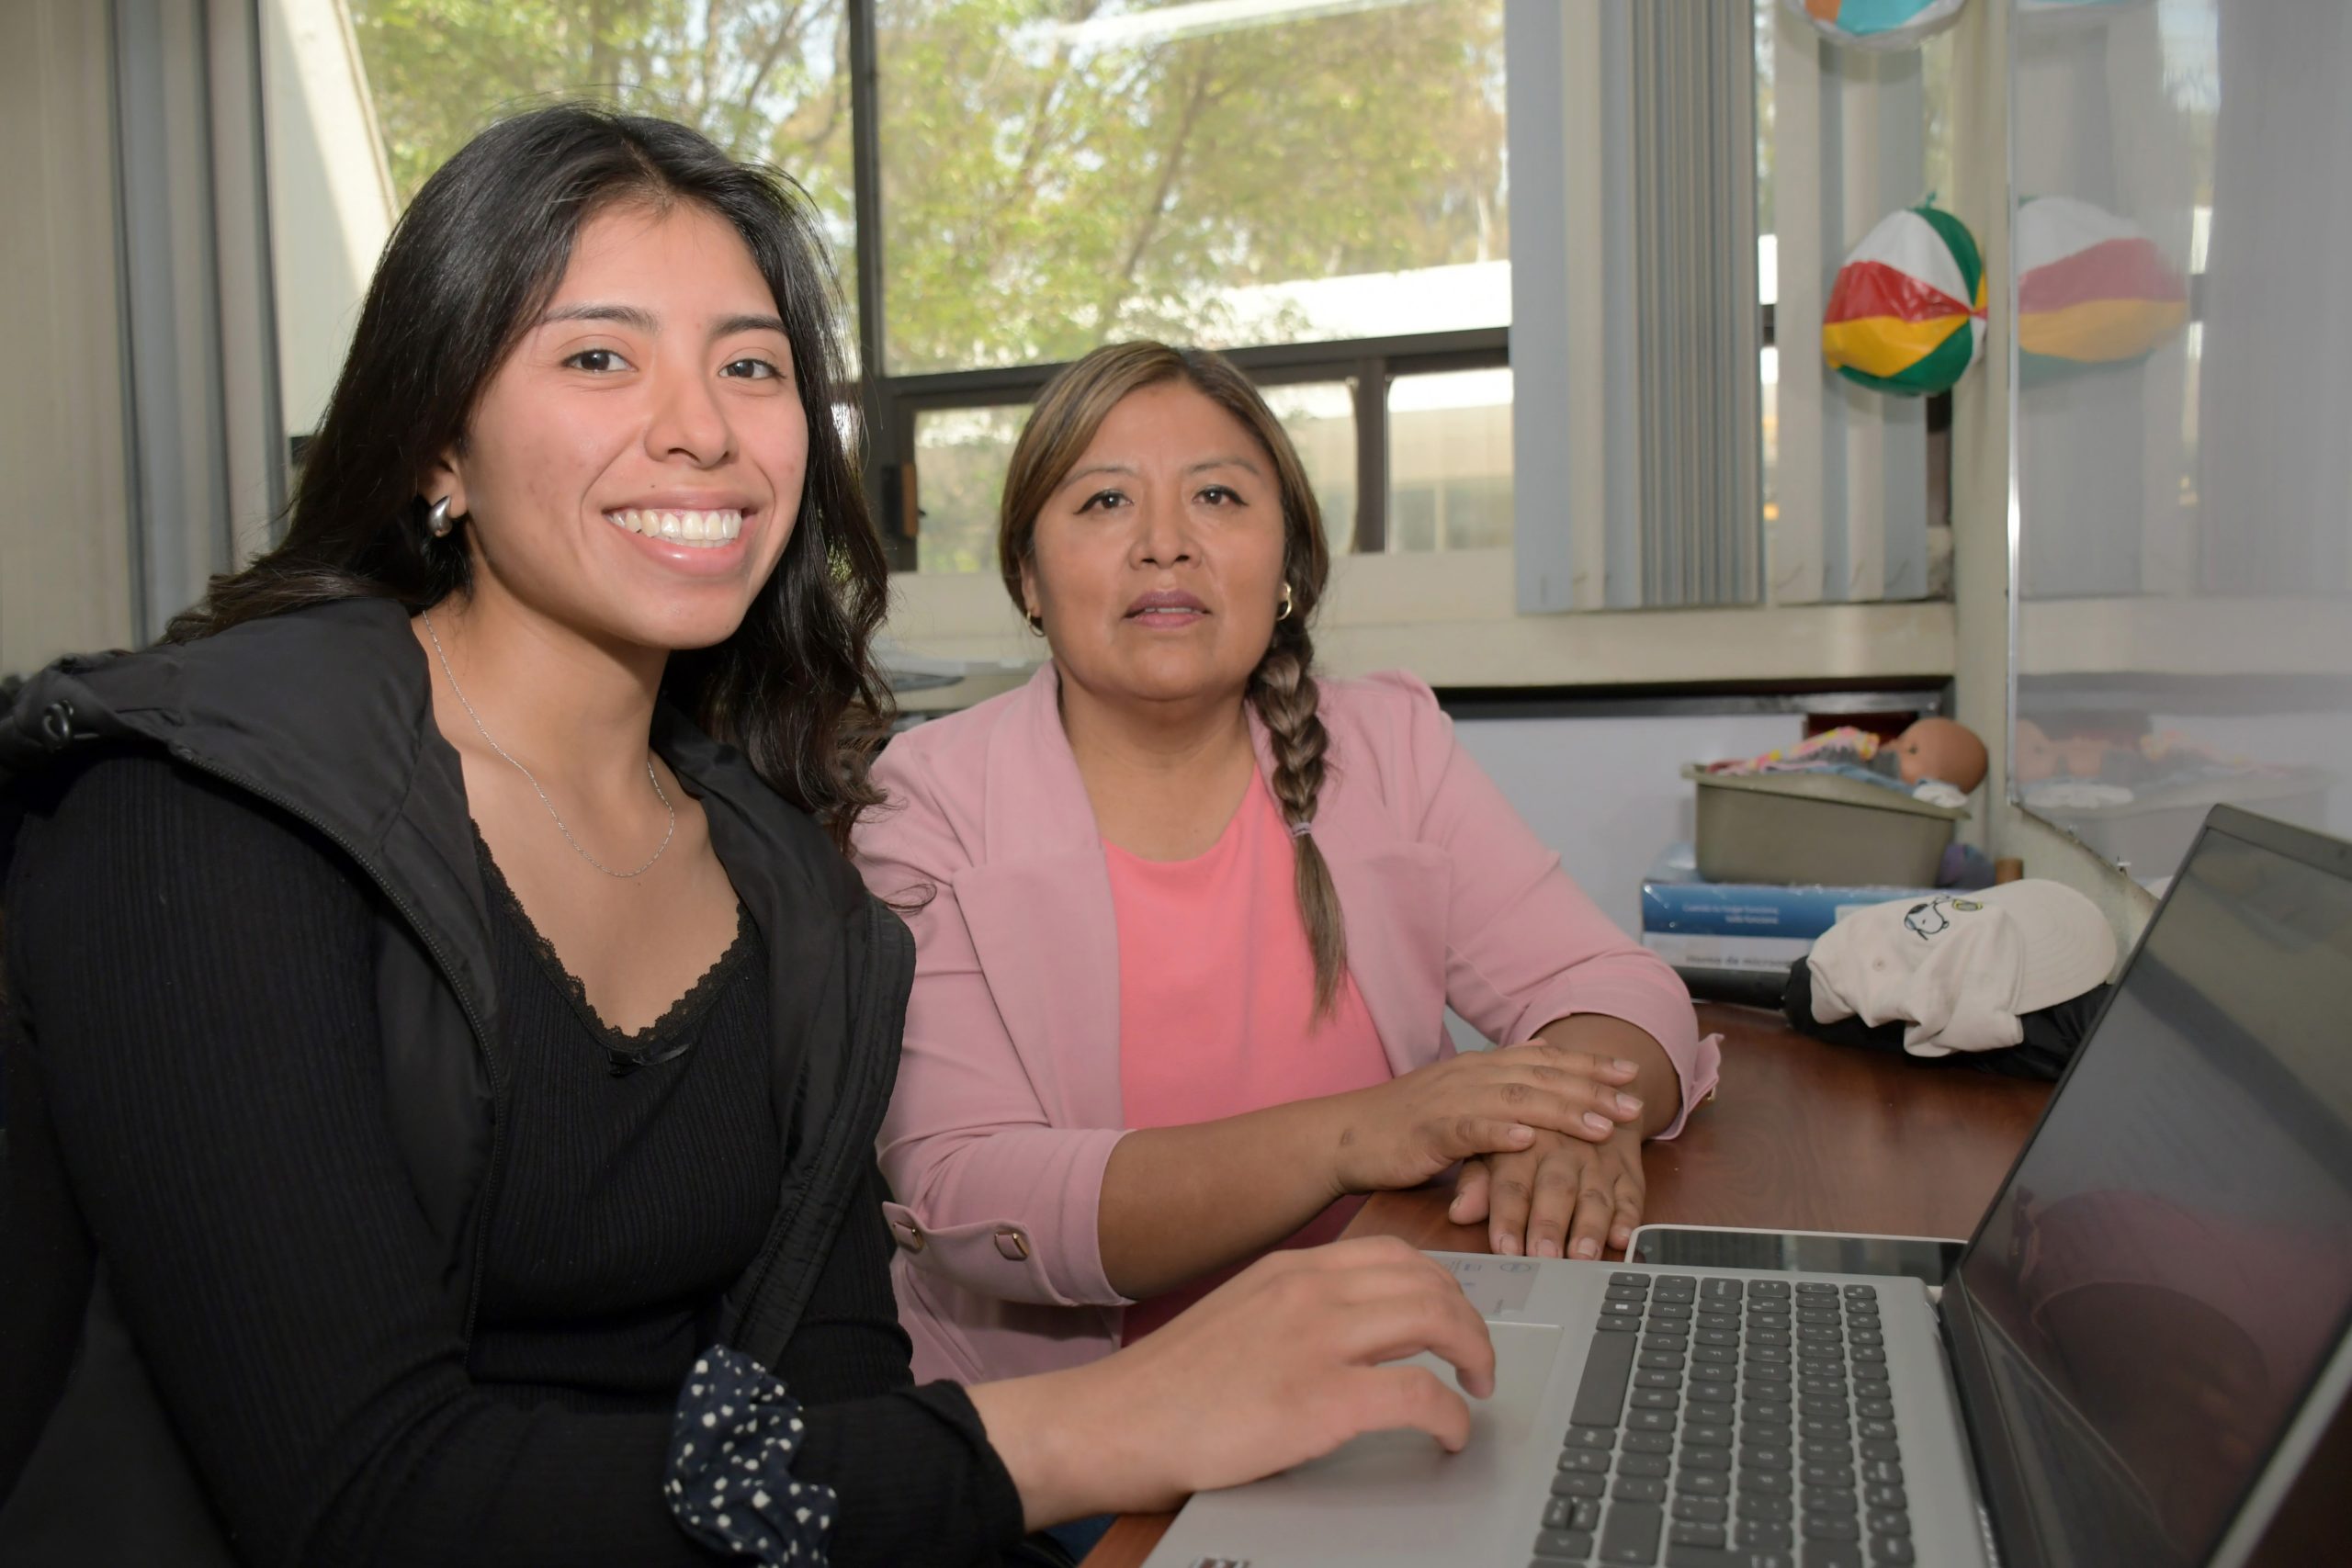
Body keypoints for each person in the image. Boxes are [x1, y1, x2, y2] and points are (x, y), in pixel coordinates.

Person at [0, 108, 1501, 1567]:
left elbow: (834, 1390)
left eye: (751, 365)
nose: (703, 429)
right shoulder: (198, 809)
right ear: (437, 445)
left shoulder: (785, 882)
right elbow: (363, 1499)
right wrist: (1109, 1418)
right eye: (599, 356)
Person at [854, 343, 1722, 1395]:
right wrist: (1358, 1134)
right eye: (1104, 502)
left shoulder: (1385, 745)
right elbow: (967, 1191)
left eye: (1217, 496)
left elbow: (1608, 984)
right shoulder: (928, 804)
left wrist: (1574, 1126)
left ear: (1289, 571)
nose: (1164, 543)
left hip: (1389, 1372)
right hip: (1074, 1422)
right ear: (1029, 580)